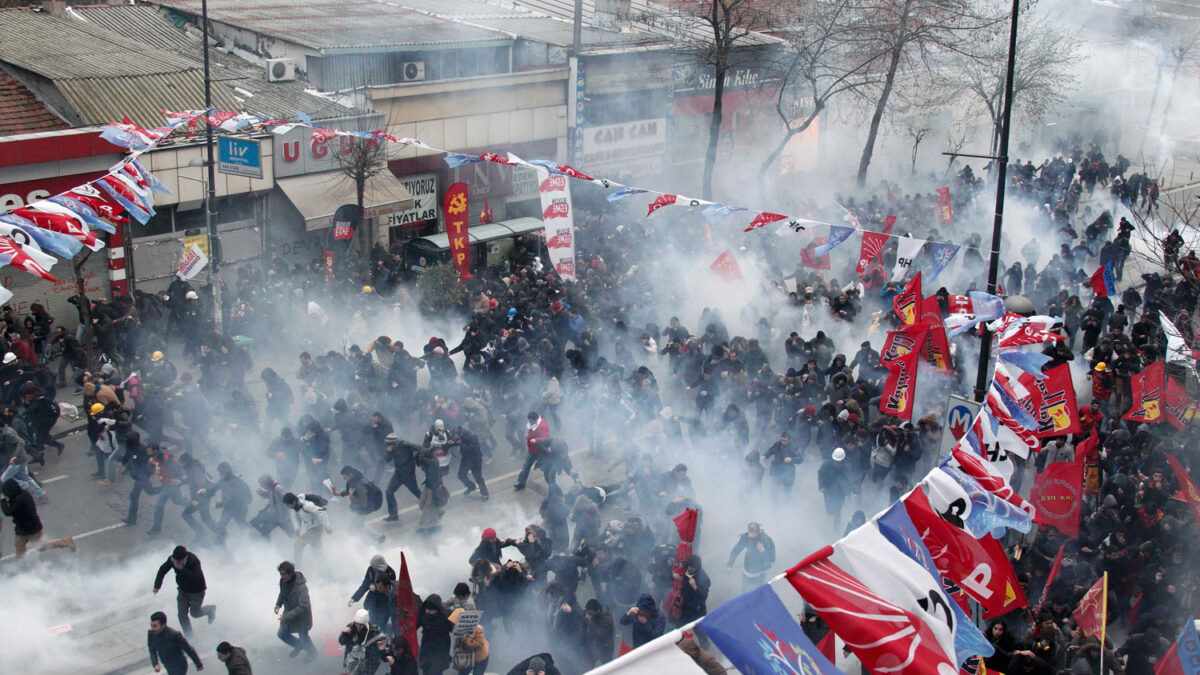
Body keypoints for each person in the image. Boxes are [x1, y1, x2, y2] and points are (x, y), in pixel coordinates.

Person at [0, 477, 73, 559]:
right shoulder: (22, 494)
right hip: (21, 528)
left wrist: (2, 500)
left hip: (32, 528)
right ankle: (21, 568)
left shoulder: (20, 499)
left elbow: (8, 512)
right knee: (19, 549)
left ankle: (64, 542)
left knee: (41, 547)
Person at [153, 545, 216, 637]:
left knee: (194, 613)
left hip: (196, 591)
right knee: (181, 615)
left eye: (178, 561)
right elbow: (163, 570)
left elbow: (196, 578)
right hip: (183, 590)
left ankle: (210, 609)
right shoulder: (173, 560)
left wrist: (182, 569)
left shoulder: (193, 561)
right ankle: (189, 636)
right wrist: (157, 586)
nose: (175, 563)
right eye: (174, 560)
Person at [275, 560, 316, 662]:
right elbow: (282, 593)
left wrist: (286, 616)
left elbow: (303, 606)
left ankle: (313, 653)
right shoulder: (283, 581)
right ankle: (299, 646)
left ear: (290, 574)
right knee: (281, 634)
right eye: (281, 574)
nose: (282, 576)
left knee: (304, 637)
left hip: (302, 618)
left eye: (284, 574)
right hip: (289, 615)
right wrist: (278, 604)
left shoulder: (301, 587)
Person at [350, 554, 397, 635]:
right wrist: (354, 598)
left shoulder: (391, 573)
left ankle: (378, 641)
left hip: (384, 605)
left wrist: (376, 588)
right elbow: (365, 584)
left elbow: (389, 590)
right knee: (369, 623)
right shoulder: (371, 570)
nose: (374, 569)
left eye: (376, 568)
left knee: (380, 626)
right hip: (372, 603)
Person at [726, 522, 776, 591]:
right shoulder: (745, 537)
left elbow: (772, 559)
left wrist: (763, 551)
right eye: (750, 537)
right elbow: (736, 550)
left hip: (760, 573)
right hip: (747, 570)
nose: (750, 540)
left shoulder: (765, 540)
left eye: (753, 537)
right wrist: (730, 565)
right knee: (745, 591)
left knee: (756, 592)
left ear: (758, 533)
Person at [282, 491, 330, 563]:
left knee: (298, 544)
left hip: (317, 528)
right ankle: (324, 564)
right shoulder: (296, 507)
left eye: (288, 505)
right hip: (312, 528)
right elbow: (297, 516)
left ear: (293, 502)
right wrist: (298, 528)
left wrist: (327, 526)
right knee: (316, 548)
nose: (287, 507)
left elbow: (322, 511)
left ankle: (296, 566)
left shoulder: (306, 506)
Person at [382, 435, 421, 522]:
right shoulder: (392, 449)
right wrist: (389, 452)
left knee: (417, 493)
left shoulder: (405, 445)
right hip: (398, 474)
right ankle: (393, 514)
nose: (387, 446)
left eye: (388, 444)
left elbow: (419, 448)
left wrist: (416, 459)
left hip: (408, 475)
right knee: (389, 492)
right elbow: (386, 460)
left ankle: (436, 510)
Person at [340, 608, 388, 675]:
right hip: (353, 660)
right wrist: (344, 634)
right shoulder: (351, 628)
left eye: (361, 625)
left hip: (369, 662)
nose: (359, 627)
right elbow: (342, 642)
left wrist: (382, 648)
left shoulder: (375, 632)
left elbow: (384, 650)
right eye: (357, 624)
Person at [417, 594, 453, 675]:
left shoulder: (446, 615)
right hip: (427, 648)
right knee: (426, 670)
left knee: (435, 672)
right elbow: (413, 626)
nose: (428, 612)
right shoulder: (422, 615)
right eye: (427, 609)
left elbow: (455, 629)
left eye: (431, 610)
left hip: (441, 649)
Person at [449, 605, 489, 675]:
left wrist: (465, 637)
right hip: (467, 657)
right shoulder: (458, 631)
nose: (453, 626)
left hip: (480, 658)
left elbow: (478, 645)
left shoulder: (477, 629)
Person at [514, 411, 549, 490]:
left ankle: (551, 486)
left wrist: (535, 440)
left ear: (535, 419)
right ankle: (521, 483)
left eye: (531, 421)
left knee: (545, 469)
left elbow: (545, 438)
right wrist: (528, 436)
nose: (529, 422)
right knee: (526, 466)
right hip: (532, 450)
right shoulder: (533, 423)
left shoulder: (543, 426)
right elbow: (531, 431)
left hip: (540, 452)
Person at [582, 598, 615, 668]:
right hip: (594, 645)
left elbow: (601, 634)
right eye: (587, 612)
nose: (587, 615)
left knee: (607, 666)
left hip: (605, 646)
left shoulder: (607, 618)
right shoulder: (591, 612)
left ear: (597, 611)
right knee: (588, 664)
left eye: (590, 613)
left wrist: (589, 621)